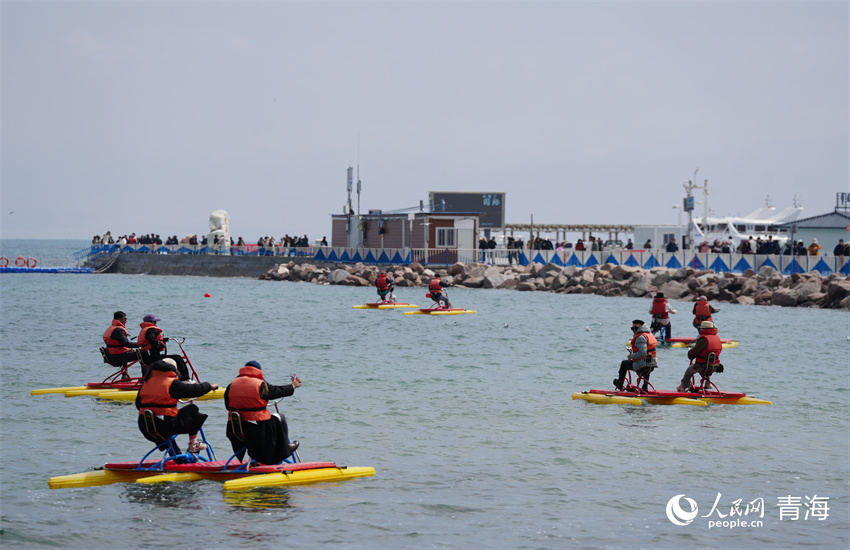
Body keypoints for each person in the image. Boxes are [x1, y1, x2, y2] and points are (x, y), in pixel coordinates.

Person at [135, 358, 219, 454]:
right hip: (164, 426)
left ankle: (176, 455)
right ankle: (193, 444)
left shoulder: (145, 383)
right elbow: (195, 390)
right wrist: (209, 386)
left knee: (166, 422)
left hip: (145, 426)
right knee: (192, 409)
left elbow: (138, 405)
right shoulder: (172, 383)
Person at [224, 361, 301, 465]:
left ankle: (254, 457)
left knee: (255, 422)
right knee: (280, 417)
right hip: (258, 430)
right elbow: (277, 391)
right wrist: (293, 386)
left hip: (235, 430)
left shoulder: (231, 385)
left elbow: (228, 406)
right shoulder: (260, 385)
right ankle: (285, 447)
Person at [137, 314, 190, 380]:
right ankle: (185, 380)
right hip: (154, 359)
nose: (156, 323)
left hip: (147, 358)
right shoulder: (151, 330)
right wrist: (159, 345)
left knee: (175, 358)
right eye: (154, 322)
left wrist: (163, 340)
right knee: (178, 358)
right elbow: (152, 339)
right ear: (150, 322)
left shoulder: (145, 329)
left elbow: (149, 341)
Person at [677, 321, 724, 392]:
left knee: (689, 371)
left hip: (701, 366)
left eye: (701, 328)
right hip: (715, 366)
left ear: (704, 329)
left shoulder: (703, 339)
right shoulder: (717, 338)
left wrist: (690, 352)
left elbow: (692, 354)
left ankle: (683, 387)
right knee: (708, 366)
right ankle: (708, 383)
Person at [614, 320, 657, 392]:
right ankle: (645, 387)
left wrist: (631, 356)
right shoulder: (649, 335)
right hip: (652, 364)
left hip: (642, 365)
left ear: (641, 328)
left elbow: (642, 353)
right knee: (647, 364)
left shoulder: (640, 337)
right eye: (632, 328)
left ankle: (620, 383)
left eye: (636, 328)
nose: (634, 330)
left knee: (624, 363)